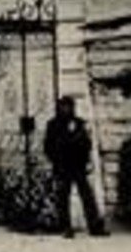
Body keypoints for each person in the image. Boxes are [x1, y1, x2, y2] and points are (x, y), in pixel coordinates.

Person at [44, 95, 107, 238]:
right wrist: (56, 160)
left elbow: (87, 144)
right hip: (62, 166)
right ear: (59, 108)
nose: (66, 109)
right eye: (63, 106)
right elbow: (48, 146)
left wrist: (86, 160)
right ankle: (66, 228)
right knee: (63, 198)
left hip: (78, 166)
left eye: (69, 106)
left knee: (87, 197)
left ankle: (95, 227)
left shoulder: (79, 123)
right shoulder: (53, 125)